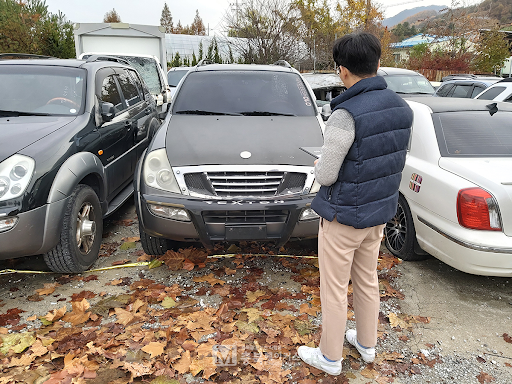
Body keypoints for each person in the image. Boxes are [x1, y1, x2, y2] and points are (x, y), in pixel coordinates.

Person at [297, 32, 413, 376]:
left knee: (333, 287)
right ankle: (366, 344)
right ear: (377, 64)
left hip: (343, 216)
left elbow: (329, 174)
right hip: (379, 213)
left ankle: (330, 357)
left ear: (342, 71)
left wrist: (318, 165)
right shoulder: (403, 108)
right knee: (367, 280)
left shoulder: (345, 114)